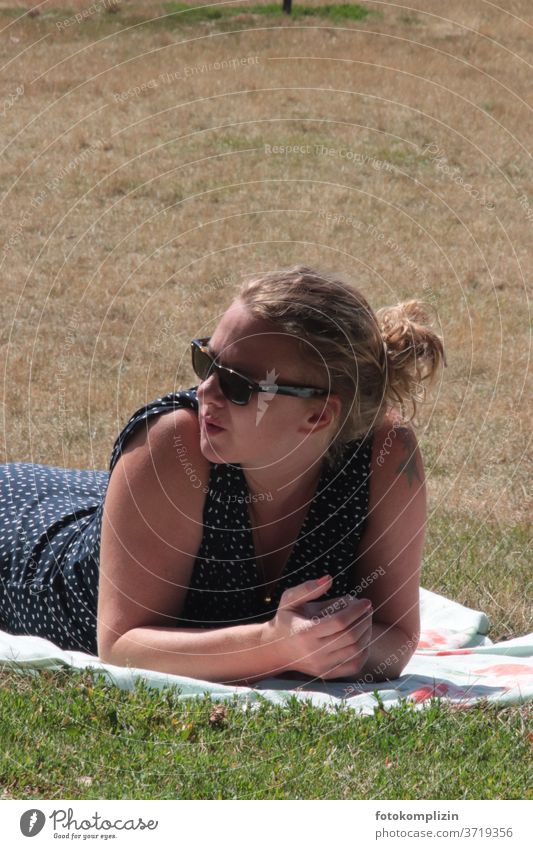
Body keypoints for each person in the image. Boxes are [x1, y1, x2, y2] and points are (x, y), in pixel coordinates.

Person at [0, 265, 446, 686]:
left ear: (318, 416)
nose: (204, 391)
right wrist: (274, 646)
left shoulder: (386, 453)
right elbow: (121, 646)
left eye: (237, 384)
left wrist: (339, 648)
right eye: (205, 361)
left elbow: (396, 633)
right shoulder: (174, 442)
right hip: (23, 543)